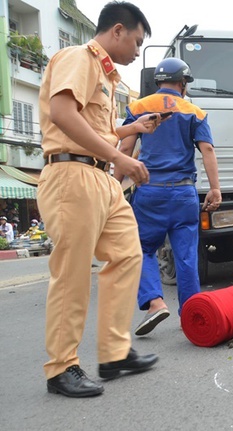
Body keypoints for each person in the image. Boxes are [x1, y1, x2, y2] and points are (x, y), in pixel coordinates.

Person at [38, 2, 160, 398]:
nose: (138, 52)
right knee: (72, 273)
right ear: (118, 31)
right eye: (138, 42)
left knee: (128, 255)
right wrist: (121, 156)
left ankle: (113, 352)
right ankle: (61, 368)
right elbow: (61, 112)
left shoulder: (108, 79)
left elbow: (96, 129)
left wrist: (132, 128)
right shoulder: (79, 57)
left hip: (100, 177)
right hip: (71, 174)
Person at [116, 58, 222, 336]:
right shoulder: (194, 111)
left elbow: (125, 147)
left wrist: (114, 185)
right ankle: (191, 314)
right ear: (183, 84)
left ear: (158, 82)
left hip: (150, 191)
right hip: (184, 192)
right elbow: (207, 151)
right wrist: (215, 188)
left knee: (141, 248)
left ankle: (155, 302)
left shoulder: (139, 107)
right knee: (186, 256)